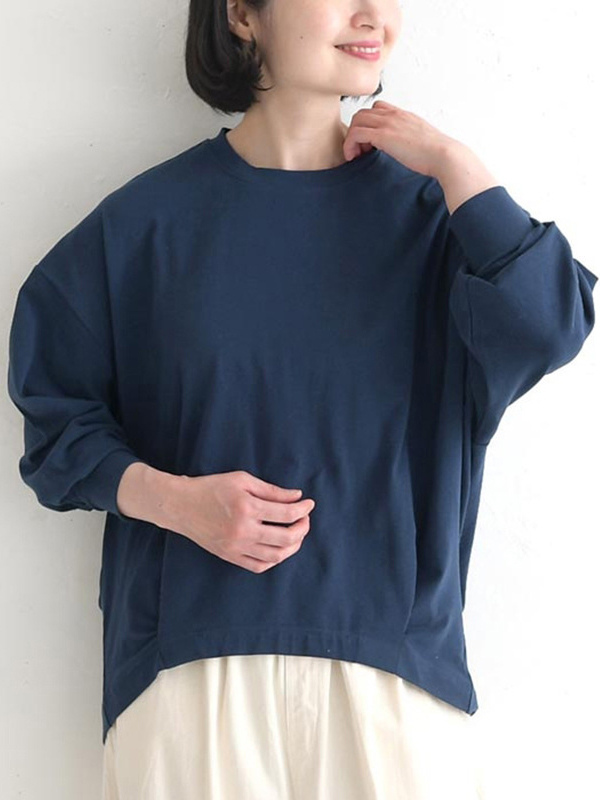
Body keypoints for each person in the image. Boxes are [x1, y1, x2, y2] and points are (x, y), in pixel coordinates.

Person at [7, 0, 597, 798]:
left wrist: (455, 164)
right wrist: (175, 502)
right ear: (241, 14)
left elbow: (550, 323)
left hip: (394, 687)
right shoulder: (144, 227)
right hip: (191, 679)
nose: (373, 14)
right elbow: (54, 421)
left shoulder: (437, 224)